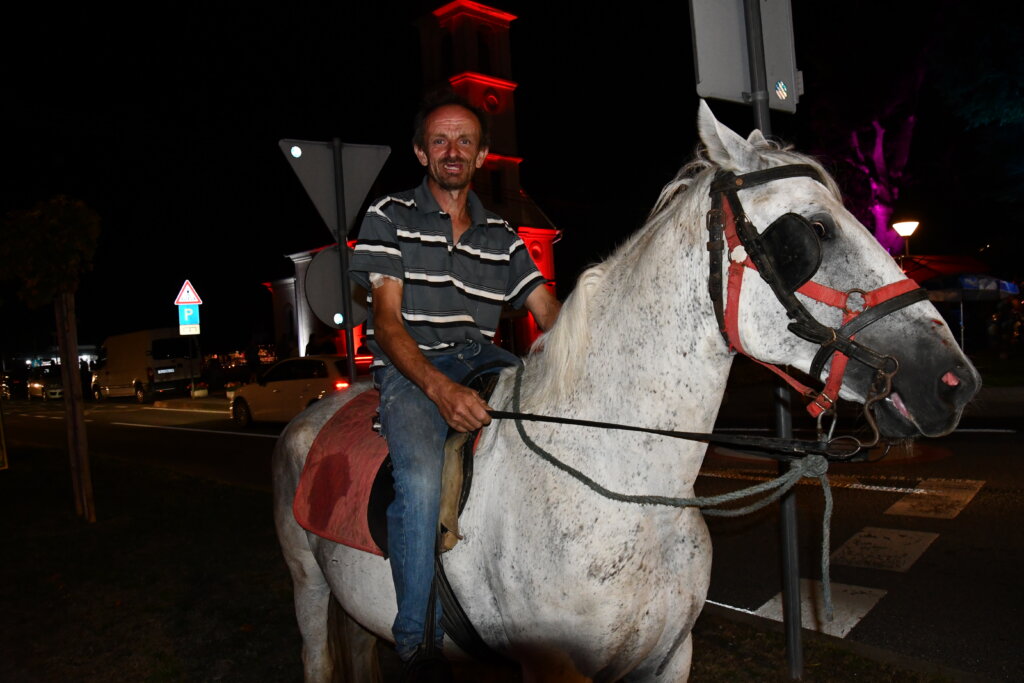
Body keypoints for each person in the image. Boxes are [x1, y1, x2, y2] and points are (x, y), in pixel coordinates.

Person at [348, 91, 560, 675]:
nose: (452, 150)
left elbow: (548, 311)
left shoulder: (502, 235)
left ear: (483, 155)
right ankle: (417, 642)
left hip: (485, 357)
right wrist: (441, 391)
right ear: (421, 152)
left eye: (465, 140)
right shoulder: (388, 216)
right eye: (439, 139)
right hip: (412, 366)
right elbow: (387, 325)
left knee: (554, 433)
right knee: (418, 477)